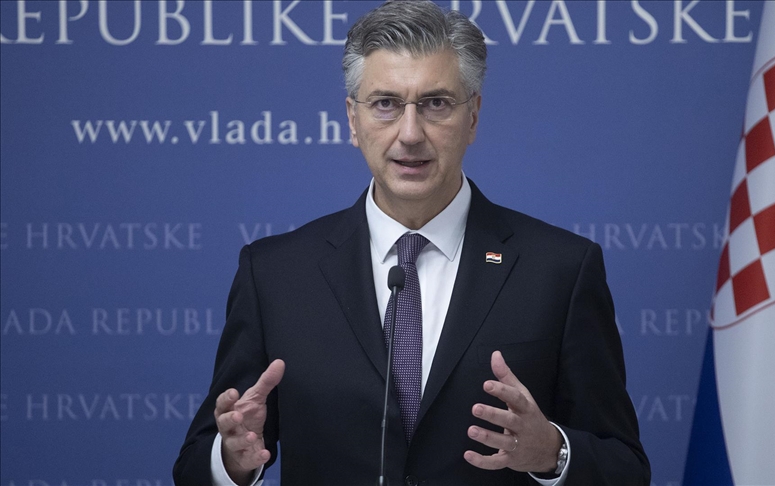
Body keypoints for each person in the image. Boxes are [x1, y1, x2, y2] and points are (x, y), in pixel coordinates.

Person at [173, 1, 650, 484]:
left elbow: (626, 467)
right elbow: (194, 467)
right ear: (353, 120)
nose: (410, 133)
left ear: (473, 116)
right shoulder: (275, 274)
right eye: (385, 103)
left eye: (436, 103)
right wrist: (231, 460)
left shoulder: (559, 269)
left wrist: (552, 453)